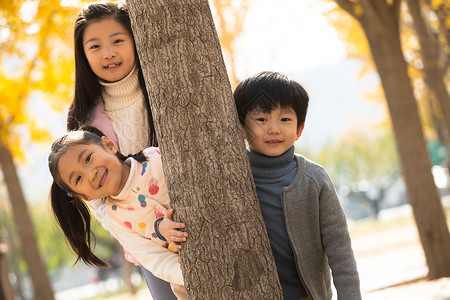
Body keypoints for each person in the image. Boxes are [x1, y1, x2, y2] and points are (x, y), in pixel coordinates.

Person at [66, 1, 176, 298]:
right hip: (145, 236)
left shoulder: (166, 85)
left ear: (134, 38)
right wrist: (149, 232)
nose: (109, 53)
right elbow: (98, 202)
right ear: (83, 54)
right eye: (95, 46)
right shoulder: (84, 119)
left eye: (117, 41)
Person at [233, 71, 362, 300]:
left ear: (299, 130)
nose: (274, 129)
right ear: (242, 128)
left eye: (285, 120)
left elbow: (339, 248)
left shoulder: (314, 179)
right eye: (262, 119)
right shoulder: (231, 178)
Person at [48, 128, 188, 299]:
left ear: (109, 145)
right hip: (185, 278)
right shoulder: (115, 219)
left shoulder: (155, 158)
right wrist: (188, 273)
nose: (91, 174)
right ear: (85, 197)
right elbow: (152, 257)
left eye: (88, 158)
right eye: (78, 179)